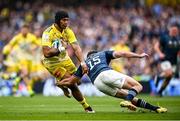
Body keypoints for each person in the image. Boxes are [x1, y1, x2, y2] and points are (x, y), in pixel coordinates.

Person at [58, 50, 167, 113]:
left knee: (128, 96)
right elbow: (122, 53)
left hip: (97, 84)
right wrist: (138, 56)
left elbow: (73, 81)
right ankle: (128, 101)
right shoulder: (102, 53)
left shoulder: (84, 64)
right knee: (137, 86)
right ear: (95, 53)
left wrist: (60, 83)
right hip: (106, 73)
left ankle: (155, 109)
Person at [41, 10, 94, 113]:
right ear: (57, 21)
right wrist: (61, 48)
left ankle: (60, 83)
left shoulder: (68, 31)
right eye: (64, 20)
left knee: (78, 81)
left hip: (65, 60)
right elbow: (46, 53)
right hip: (52, 64)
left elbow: (76, 47)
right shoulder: (47, 33)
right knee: (71, 83)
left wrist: (82, 63)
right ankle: (86, 107)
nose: (66, 22)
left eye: (67, 20)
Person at [2, 24, 39, 96]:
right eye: (23, 29)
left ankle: (18, 81)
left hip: (29, 58)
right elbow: (10, 45)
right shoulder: (17, 38)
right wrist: (11, 52)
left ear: (28, 30)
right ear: (21, 30)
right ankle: (29, 89)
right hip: (20, 58)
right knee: (25, 73)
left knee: (26, 75)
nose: (24, 31)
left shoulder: (32, 37)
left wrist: (33, 49)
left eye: (25, 30)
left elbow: (37, 44)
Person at [154, 24, 180, 96]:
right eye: (173, 30)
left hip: (174, 62)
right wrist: (159, 53)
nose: (175, 32)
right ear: (170, 29)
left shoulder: (178, 40)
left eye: (176, 30)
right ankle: (158, 77)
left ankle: (160, 91)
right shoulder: (165, 37)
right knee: (169, 73)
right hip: (165, 59)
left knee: (169, 77)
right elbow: (156, 46)